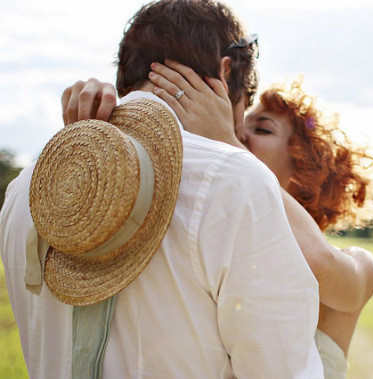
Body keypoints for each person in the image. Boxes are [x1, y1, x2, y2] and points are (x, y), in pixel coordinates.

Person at [0, 1, 324, 378]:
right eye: (247, 102)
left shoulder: (24, 191)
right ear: (226, 70)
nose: (239, 134)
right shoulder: (235, 180)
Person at [63, 63, 373, 378]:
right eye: (242, 123)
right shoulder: (226, 235)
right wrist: (108, 120)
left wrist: (228, 143)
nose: (237, 129)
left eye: (262, 129)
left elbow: (319, 262)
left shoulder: (359, 265)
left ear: (304, 169)